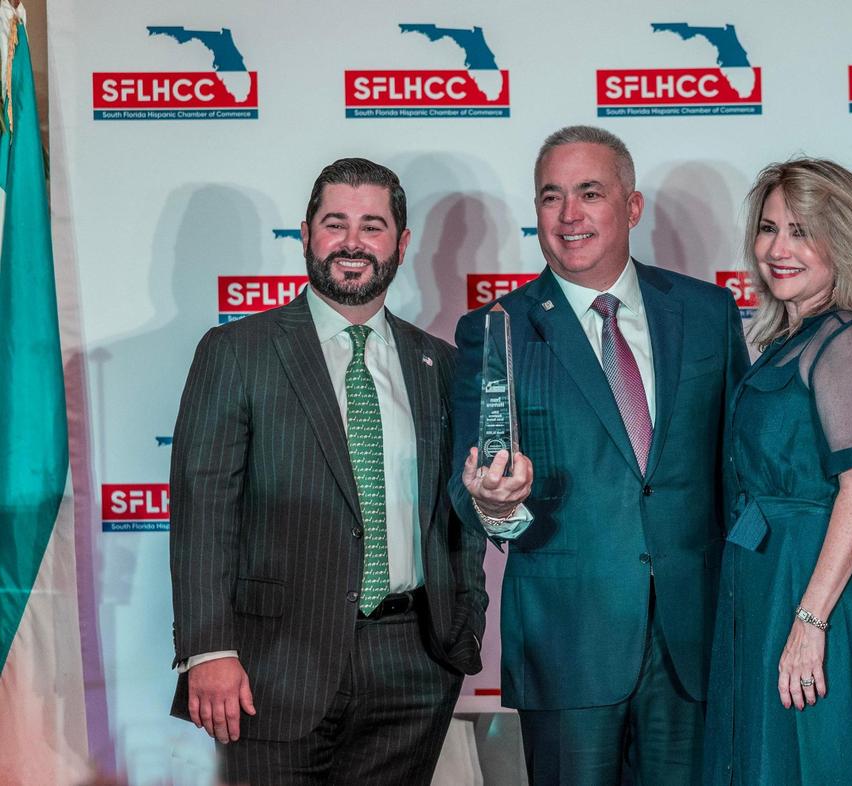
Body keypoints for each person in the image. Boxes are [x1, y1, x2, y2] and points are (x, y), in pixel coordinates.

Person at [169, 158, 487, 785]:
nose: (352, 242)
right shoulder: (236, 352)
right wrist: (208, 649)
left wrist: (462, 621)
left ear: (402, 243)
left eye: (372, 226)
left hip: (413, 662)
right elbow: (203, 509)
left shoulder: (442, 365)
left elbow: (460, 509)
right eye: (334, 223)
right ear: (307, 234)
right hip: (271, 665)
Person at [449, 126, 749, 785]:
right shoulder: (495, 329)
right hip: (567, 650)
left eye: (590, 193)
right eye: (551, 197)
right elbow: (465, 492)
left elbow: (739, 473)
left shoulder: (706, 314)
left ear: (632, 207)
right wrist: (493, 502)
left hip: (692, 647)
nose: (569, 215)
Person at [704, 158, 852, 785]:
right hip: (766, 581)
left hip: (809, 590)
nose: (778, 248)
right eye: (769, 229)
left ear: (843, 242)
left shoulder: (847, 339)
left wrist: (810, 621)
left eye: (802, 231)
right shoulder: (791, 340)